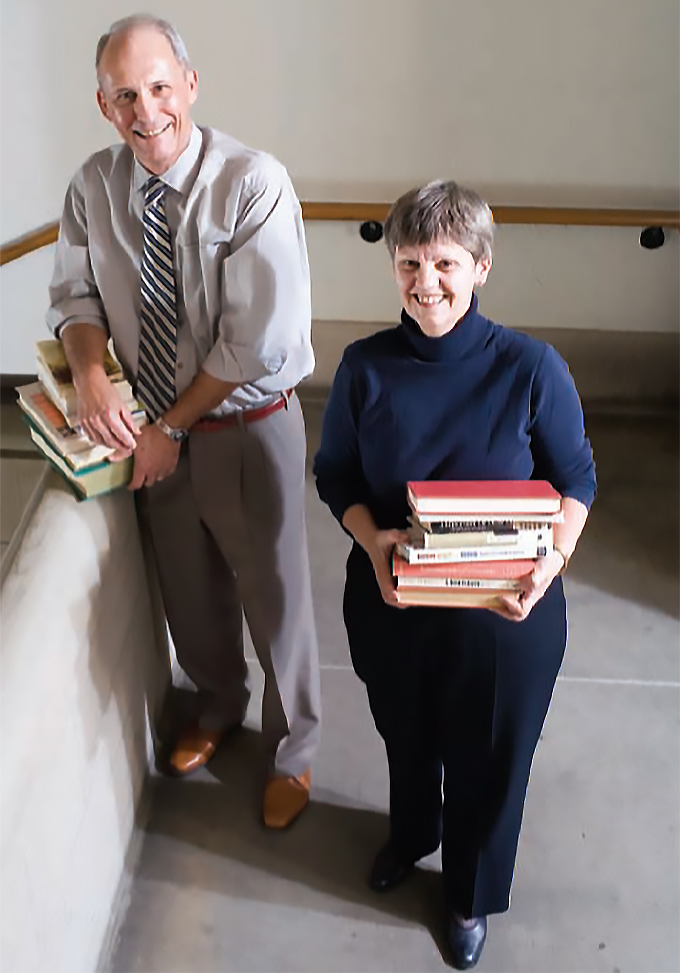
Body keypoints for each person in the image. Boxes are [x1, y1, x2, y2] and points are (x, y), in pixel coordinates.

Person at [47, 14, 321, 830]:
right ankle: (215, 706)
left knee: (275, 598)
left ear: (189, 86)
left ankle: (294, 749)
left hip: (245, 423)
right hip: (153, 432)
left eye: (160, 87)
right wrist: (92, 373)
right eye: (125, 94)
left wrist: (169, 425)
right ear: (104, 105)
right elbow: (75, 296)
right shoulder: (92, 187)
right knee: (190, 592)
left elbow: (254, 338)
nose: (146, 109)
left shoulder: (252, 183)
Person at [314, 180, 596, 969]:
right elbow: (336, 475)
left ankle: (470, 893)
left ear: (481, 266)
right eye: (409, 262)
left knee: (490, 755)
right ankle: (413, 833)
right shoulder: (366, 367)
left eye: (445, 261)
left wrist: (552, 562)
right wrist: (373, 548)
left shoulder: (531, 367)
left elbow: (578, 482)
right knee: (407, 737)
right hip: (394, 595)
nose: (425, 281)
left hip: (506, 612)